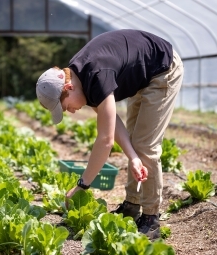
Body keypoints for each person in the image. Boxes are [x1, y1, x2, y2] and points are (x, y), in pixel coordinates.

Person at [36, 29, 184, 240]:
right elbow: (112, 125)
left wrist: (82, 185)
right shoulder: (82, 79)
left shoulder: (97, 75)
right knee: (135, 145)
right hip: (144, 76)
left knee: (145, 146)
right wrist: (132, 157)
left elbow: (105, 140)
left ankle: (151, 219)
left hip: (163, 69)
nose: (69, 111)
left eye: (64, 106)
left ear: (68, 87)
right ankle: (132, 205)